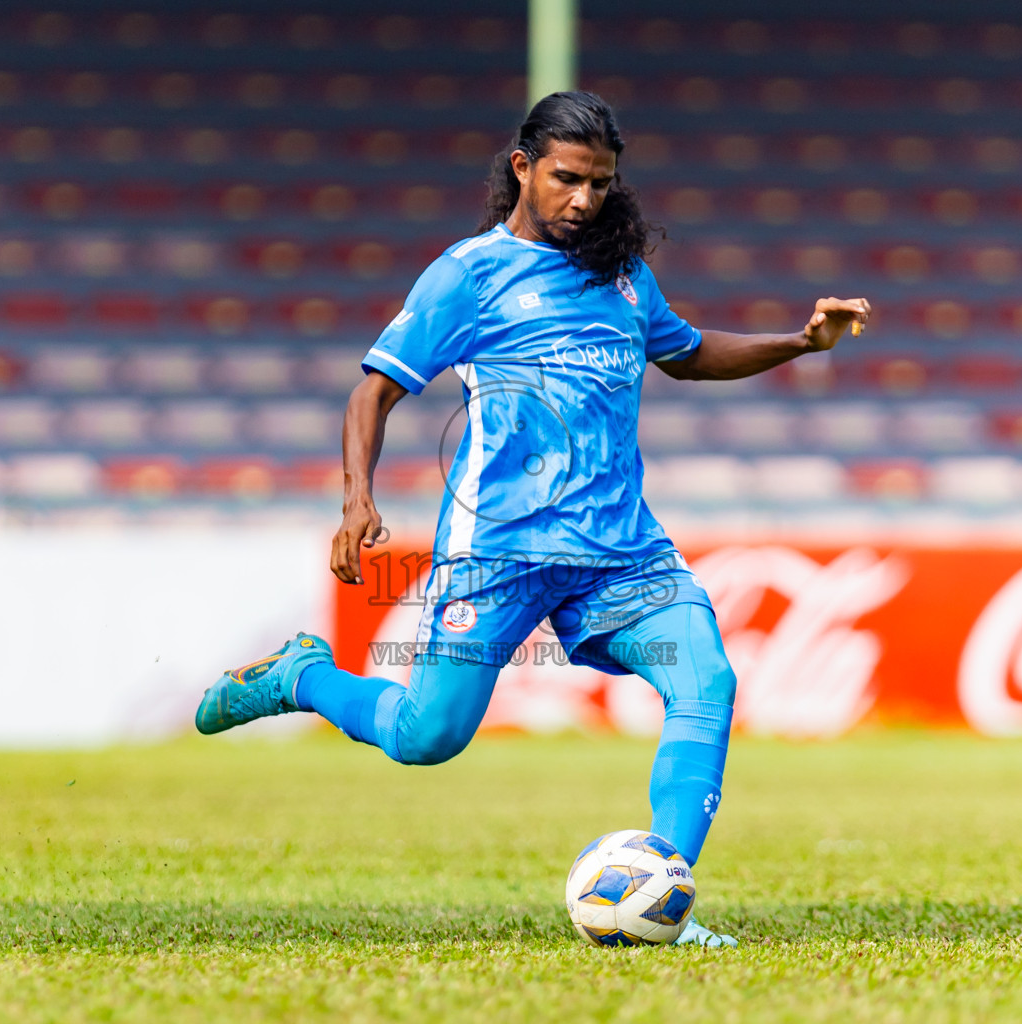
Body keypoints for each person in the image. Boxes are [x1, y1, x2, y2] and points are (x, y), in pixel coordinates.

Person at [195, 91, 869, 947]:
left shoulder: (622, 274)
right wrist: (357, 498)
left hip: (622, 555)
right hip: (500, 552)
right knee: (426, 736)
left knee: (708, 683)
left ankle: (662, 896)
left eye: (600, 182)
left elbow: (690, 354)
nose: (585, 199)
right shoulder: (468, 275)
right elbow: (375, 390)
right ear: (523, 167)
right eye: (567, 178)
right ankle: (301, 676)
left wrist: (801, 342)